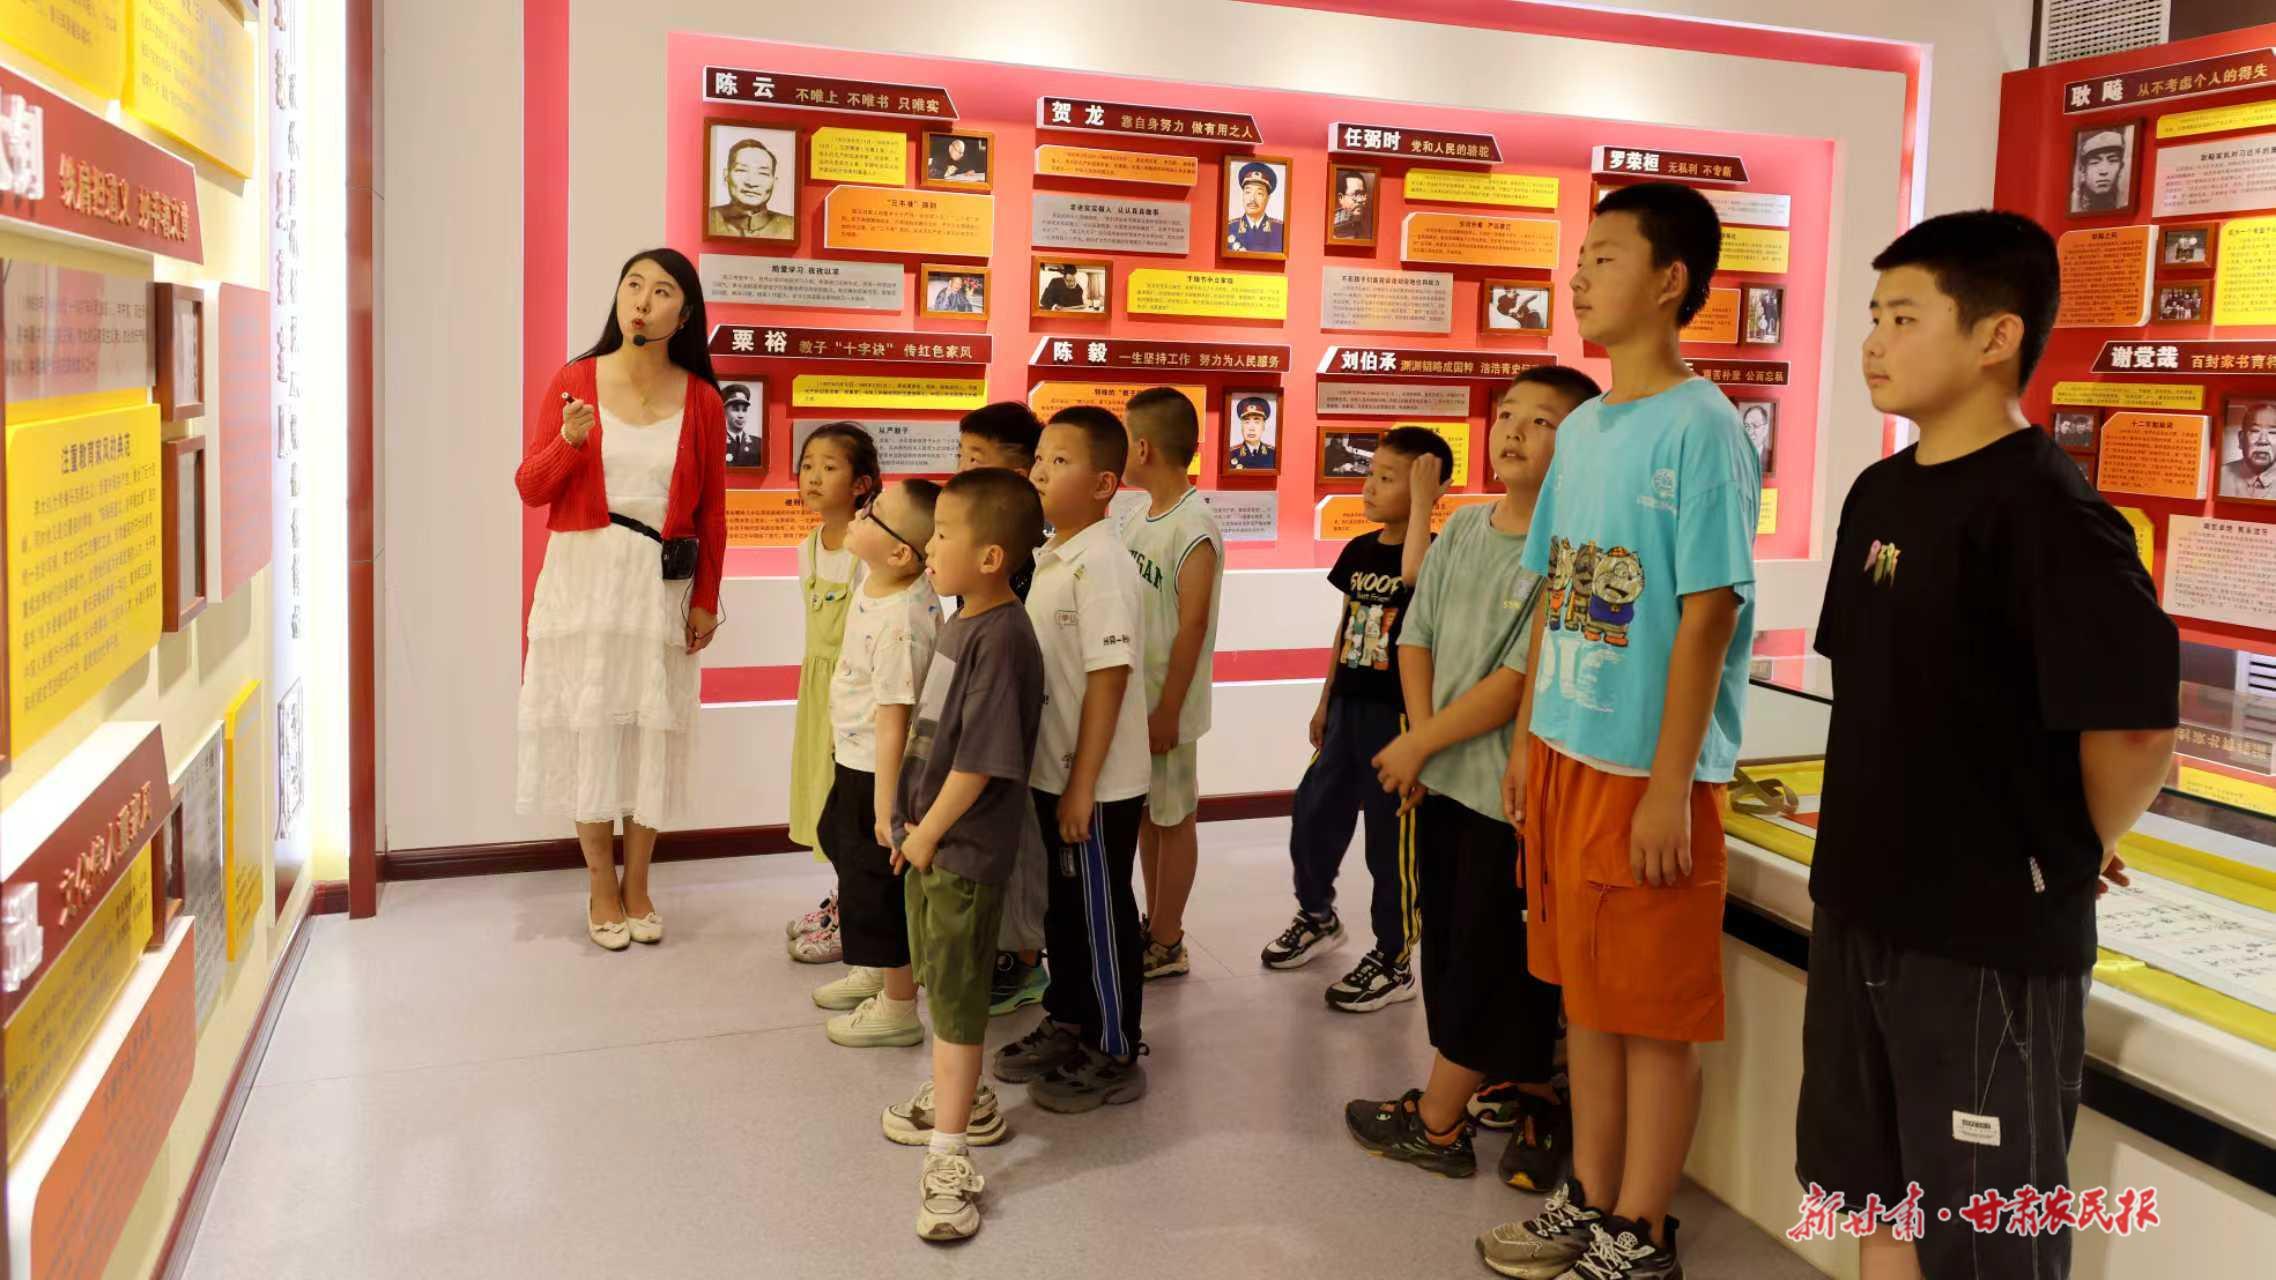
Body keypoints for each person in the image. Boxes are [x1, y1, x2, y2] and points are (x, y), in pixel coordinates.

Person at [1795, 210, 2180, 1280]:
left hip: (1982, 936)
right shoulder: (1880, 491)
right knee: (1868, 1192)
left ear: (1994, 337)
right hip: (1859, 897)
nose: (1873, 342)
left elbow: (2137, 723)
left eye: (1903, 318)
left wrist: (2072, 840)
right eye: (1874, 316)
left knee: (1981, 1237)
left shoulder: (2048, 510)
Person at [1482, 182, 1757, 1280]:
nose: (1577, 276)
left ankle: (1642, 1227)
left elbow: (1709, 612)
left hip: (1648, 772)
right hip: (1563, 755)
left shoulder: (1703, 426)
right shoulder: (1587, 427)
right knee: (1584, 1000)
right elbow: (1555, 590)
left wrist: (1668, 784)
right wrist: (1527, 739)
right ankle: (1587, 1197)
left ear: (1670, 280)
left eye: (1603, 256)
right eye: (1579, 257)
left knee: (1652, 1014)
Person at [1346, 367, 1597, 1196]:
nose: (1515, 430)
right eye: (1508, 414)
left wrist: (1422, 743)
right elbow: (1414, 636)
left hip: (1506, 794)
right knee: (1453, 944)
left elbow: (1522, 678)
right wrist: (1422, 743)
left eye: (1544, 421)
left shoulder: (1568, 549)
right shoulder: (1460, 529)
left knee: (1498, 952)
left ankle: (1441, 1120)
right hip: (1441, 779)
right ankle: (1513, 1091)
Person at [514, 247, 727, 950]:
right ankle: (601, 885)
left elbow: (713, 513)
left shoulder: (702, 399)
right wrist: (569, 443)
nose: (642, 299)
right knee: (593, 728)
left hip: (659, 582)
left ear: (683, 315)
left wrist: (706, 598)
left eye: (661, 291)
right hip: (585, 574)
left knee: (648, 734)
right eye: (632, 284)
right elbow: (531, 487)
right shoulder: (575, 379)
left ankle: (639, 883)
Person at [880, 467, 1049, 1243]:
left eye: (944, 534)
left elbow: (981, 762)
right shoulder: (962, 620)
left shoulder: (1005, 637)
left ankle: (948, 1155)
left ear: (990, 556)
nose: (929, 544)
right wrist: (905, 822)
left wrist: (925, 834)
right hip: (930, 843)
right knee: (942, 984)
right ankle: (967, 1099)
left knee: (954, 1002)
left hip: (960, 851)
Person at [991, 405, 1155, 1112]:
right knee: (1063, 911)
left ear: (1104, 484)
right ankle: (1068, 1018)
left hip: (1095, 784)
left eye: (1060, 461)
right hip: (1053, 773)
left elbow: (1108, 677)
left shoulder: (1104, 563)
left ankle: (1114, 1046)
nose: (1040, 471)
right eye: (1040, 458)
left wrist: (1082, 785)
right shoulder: (1055, 556)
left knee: (1100, 914)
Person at [1261, 426, 1454, 1011]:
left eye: (1388, 479)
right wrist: (1326, 699)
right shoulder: (1358, 550)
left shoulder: (1438, 555)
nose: (1369, 487)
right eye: (1371, 473)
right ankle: (1317, 915)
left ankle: (1395, 960)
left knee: (1390, 848)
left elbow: (1423, 594)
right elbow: (1346, 627)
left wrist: (1423, 507)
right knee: (1313, 815)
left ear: (1428, 489)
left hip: (1399, 720)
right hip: (1348, 709)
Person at [812, 480, 945, 1048]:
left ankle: (897, 1005)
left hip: (879, 769)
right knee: (844, 852)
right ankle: (873, 966)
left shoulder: (901, 620)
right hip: (856, 754)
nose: (860, 514)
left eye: (874, 514)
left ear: (899, 553)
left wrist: (886, 806)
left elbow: (895, 718)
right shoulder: (877, 581)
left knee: (880, 885)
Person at [1119, 388, 1226, 980]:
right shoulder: (1137, 517)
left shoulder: (1194, 524)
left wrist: (1167, 710)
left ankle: (1169, 938)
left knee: (1174, 816)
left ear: (1142, 448)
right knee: (1148, 815)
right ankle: (1155, 924)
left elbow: (1193, 625)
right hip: (1137, 702)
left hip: (1169, 705)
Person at [953, 402, 1053, 1016]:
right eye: (961, 456)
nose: (962, 469)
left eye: (976, 459)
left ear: (1019, 471)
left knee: (1022, 839)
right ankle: (1003, 948)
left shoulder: (1032, 553)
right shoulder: (977, 541)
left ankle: (1023, 959)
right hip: (986, 714)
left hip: (1022, 722)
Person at [784, 423, 884, 965]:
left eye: (829, 467)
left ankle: (856, 915)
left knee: (852, 809)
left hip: (858, 693)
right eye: (807, 465)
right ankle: (842, 899)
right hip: (817, 692)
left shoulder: (868, 548)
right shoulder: (808, 546)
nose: (814, 477)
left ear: (862, 483)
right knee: (826, 801)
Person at [708, 136, 794, 240]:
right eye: (742, 170)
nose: (752, 183)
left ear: (774, 182)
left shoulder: (791, 227)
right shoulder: (707, 219)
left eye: (763, 173)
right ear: (726, 176)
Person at [1226, 161, 1286, 255]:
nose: (1252, 199)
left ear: (1268, 198)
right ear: (1243, 195)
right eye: (1248, 192)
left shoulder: (1280, 230)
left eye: (1259, 193)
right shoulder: (1229, 228)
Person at [2222, 402, 2276, 499]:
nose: (2263, 441)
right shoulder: (2221, 476)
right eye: (2255, 431)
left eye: (2273, 432)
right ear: (2241, 439)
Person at [2071, 127, 2129, 214]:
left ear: (2121, 168)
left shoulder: (2124, 204)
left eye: (2112, 160)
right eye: (2095, 162)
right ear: (2083, 170)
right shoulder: (2073, 206)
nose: (2103, 171)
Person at [1227, 395, 1278, 471]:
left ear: (1263, 425)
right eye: (1247, 422)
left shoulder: (1273, 454)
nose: (1251, 428)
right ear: (1241, 426)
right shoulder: (1231, 454)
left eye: (1257, 422)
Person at [724, 383, 763, 468]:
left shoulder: (759, 444)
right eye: (735, 409)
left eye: (744, 410)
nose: (741, 415)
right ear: (724, 411)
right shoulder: (714, 443)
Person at [1332, 169, 1375, 241]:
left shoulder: (1366, 230)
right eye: (1355, 194)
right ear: (1341, 198)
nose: (1360, 200)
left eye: (1362, 194)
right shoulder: (1334, 232)